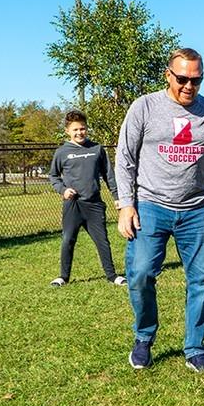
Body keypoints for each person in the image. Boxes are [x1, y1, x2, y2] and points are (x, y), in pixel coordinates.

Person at [115, 47, 204, 373]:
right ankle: (144, 338)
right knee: (139, 275)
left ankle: (195, 348)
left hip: (196, 210)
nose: (189, 86)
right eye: (182, 79)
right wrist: (126, 204)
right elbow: (125, 158)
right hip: (150, 205)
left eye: (196, 80)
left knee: (202, 279)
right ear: (168, 75)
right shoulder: (145, 107)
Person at [49, 110, 127, 287]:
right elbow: (53, 176)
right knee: (68, 239)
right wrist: (63, 190)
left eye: (82, 129)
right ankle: (63, 277)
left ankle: (112, 275)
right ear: (68, 131)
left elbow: (109, 175)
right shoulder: (62, 152)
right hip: (73, 205)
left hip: (94, 205)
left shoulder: (97, 149)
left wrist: (116, 196)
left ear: (87, 128)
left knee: (102, 241)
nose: (79, 133)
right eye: (75, 130)